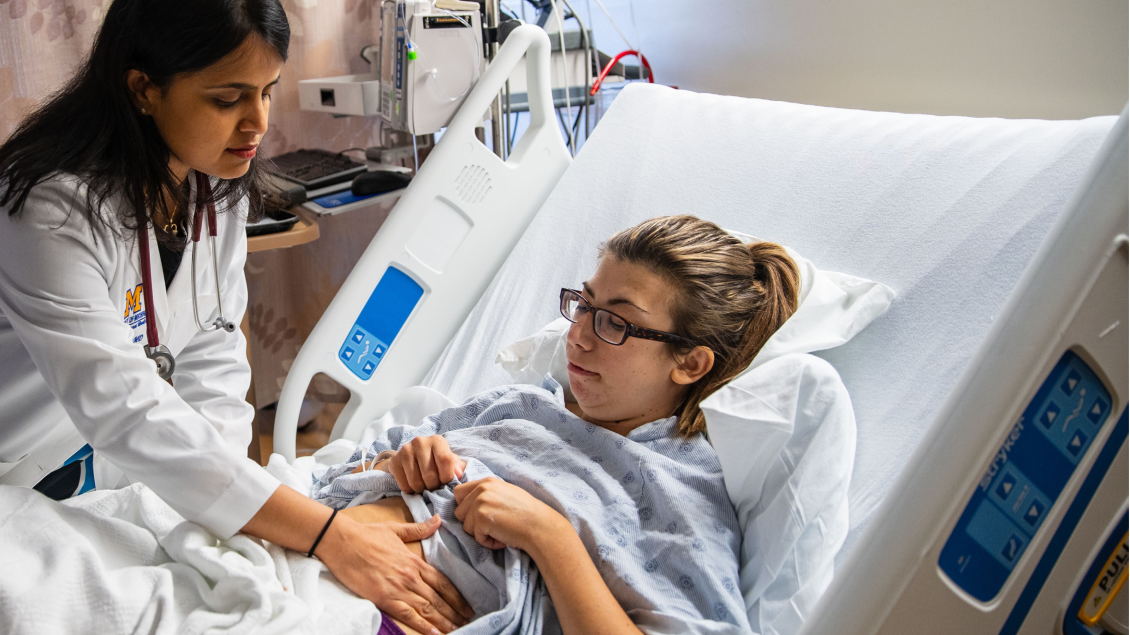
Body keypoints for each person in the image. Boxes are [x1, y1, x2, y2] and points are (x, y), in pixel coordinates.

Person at [0, 1, 471, 632]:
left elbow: (212, 363)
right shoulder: (48, 210)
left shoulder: (210, 191)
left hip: (111, 470)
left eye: (268, 92)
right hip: (17, 472)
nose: (257, 123)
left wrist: (226, 524)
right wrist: (326, 533)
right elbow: (124, 405)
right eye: (228, 99)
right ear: (144, 88)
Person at [314, 215, 802, 635]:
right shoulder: (520, 405)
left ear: (691, 364)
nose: (578, 335)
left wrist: (550, 537)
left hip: (370, 613)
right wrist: (397, 462)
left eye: (616, 323)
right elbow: (338, 475)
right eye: (585, 305)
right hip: (312, 550)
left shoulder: (680, 489)